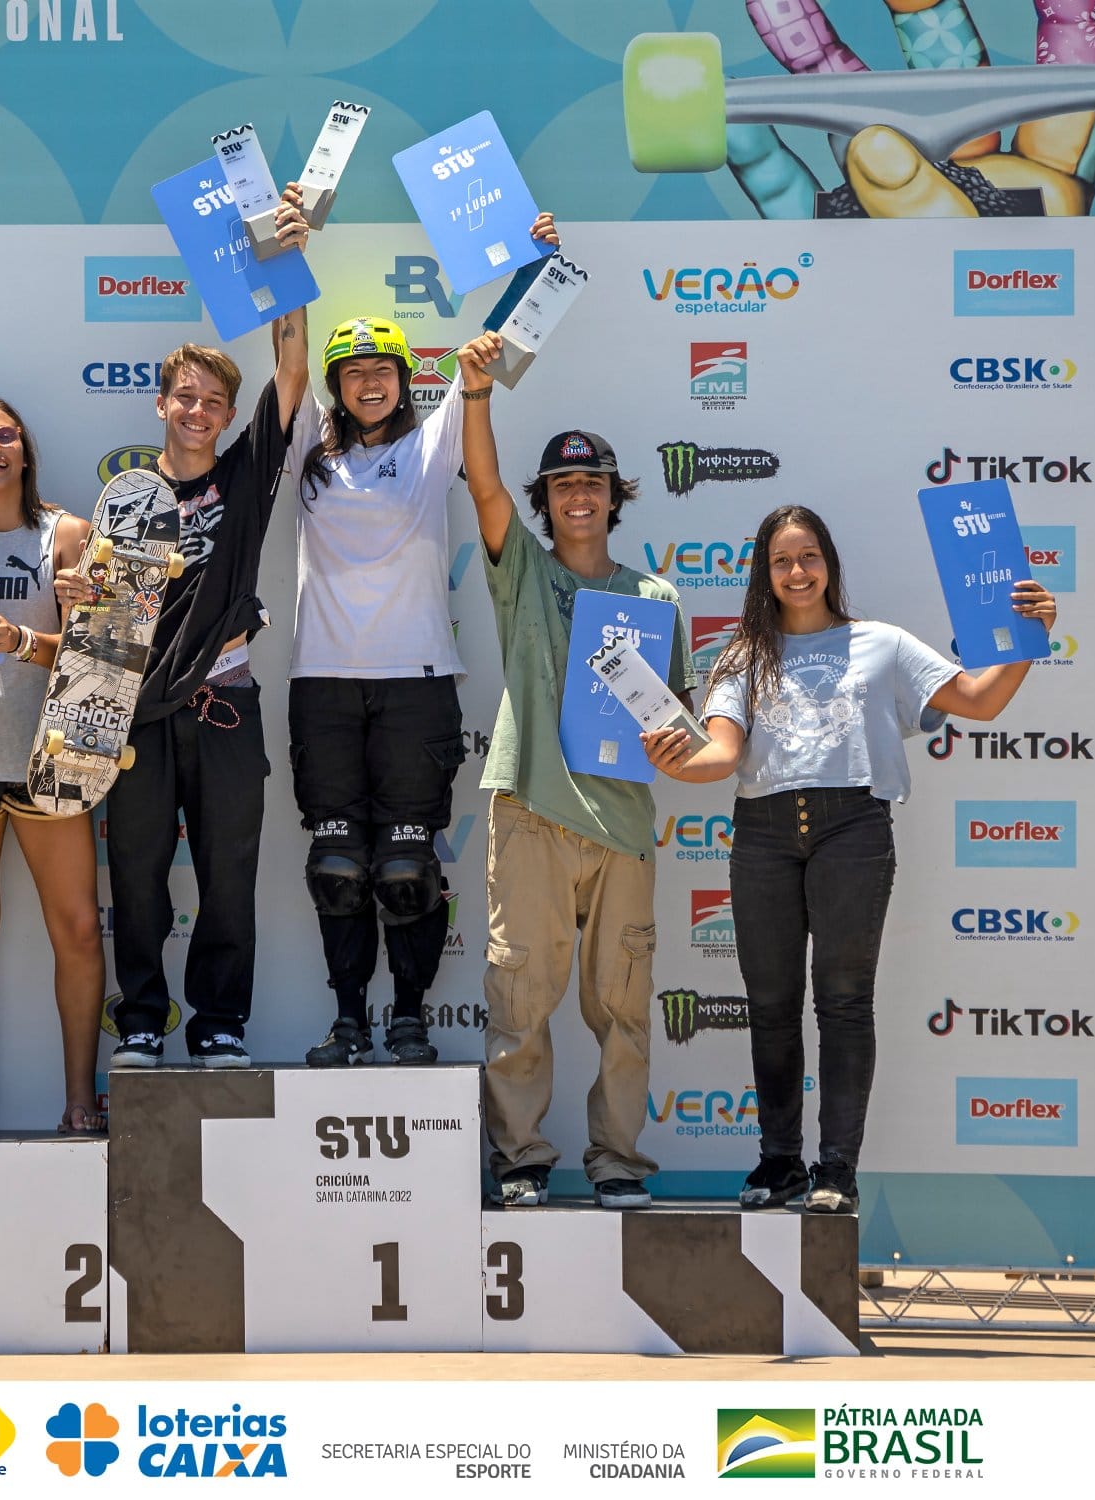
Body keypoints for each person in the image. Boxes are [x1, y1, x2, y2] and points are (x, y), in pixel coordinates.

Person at [643, 505, 1058, 1214]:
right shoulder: (743, 654)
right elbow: (720, 754)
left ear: (829, 563)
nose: (797, 571)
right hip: (765, 834)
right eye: (781, 560)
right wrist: (674, 762)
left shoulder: (883, 644)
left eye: (809, 557)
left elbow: (980, 701)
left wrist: (1029, 636)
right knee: (771, 1007)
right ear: (763, 573)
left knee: (841, 1003)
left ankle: (836, 1169)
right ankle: (780, 1164)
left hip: (854, 829)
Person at [289, 215, 560, 1068]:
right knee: (337, 867)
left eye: (383, 367)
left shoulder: (432, 438)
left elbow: (494, 355)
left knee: (407, 871)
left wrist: (536, 262)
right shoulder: (309, 448)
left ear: (405, 379)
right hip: (322, 684)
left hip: (415, 685)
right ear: (336, 384)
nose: (368, 380)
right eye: (353, 370)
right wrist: (287, 249)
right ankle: (346, 1021)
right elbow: (288, 358)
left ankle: (407, 1017)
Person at [58, 203, 312, 1069]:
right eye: (186, 397)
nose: (199, 410)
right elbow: (97, 624)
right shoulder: (127, 495)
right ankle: (140, 1020)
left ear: (230, 413)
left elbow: (291, 371)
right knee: (134, 873)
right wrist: (75, 597)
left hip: (228, 705)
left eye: (215, 401)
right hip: (132, 712)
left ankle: (220, 1024)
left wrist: (283, 265)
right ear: (161, 402)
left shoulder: (249, 475)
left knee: (226, 873)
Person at [457, 329, 696, 1209]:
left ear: (613, 496)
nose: (579, 497)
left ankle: (617, 1163)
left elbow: (679, 722)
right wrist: (478, 395)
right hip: (531, 812)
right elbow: (482, 485)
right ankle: (522, 1158)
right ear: (546, 501)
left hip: (625, 825)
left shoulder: (657, 598)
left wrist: (684, 747)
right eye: (563, 486)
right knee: (520, 1000)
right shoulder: (518, 568)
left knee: (626, 1013)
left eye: (592, 483)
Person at [0, 397, 106, 1135]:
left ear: (25, 450)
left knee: (75, 931)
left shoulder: (67, 534)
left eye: (5, 434)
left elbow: (102, 658)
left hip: (54, 767)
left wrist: (27, 638)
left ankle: (80, 1099)